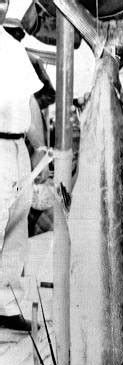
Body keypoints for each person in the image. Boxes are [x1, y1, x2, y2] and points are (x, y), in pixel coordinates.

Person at [0, 0, 48, 332]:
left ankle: (4, 305)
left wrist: (40, 147)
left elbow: (30, 101)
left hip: (17, 147)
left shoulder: (12, 47)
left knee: (17, 226)